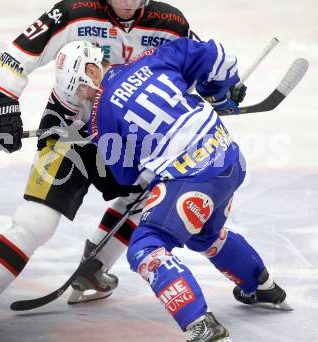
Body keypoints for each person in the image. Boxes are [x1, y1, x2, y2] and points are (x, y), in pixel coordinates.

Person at [0, 0, 210, 338]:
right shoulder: (74, 12)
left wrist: (219, 89)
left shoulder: (170, 22)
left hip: (126, 137)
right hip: (68, 129)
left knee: (144, 198)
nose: (127, 2)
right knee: (35, 222)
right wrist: (4, 101)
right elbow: (19, 53)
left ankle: (92, 269)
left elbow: (197, 62)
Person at [48, 39, 291, 341]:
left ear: (91, 71)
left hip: (197, 178)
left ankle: (201, 325)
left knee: (145, 247)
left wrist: (99, 136)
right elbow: (217, 57)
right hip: (229, 158)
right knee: (205, 234)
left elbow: (125, 177)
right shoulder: (154, 57)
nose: (82, 98)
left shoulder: (101, 117)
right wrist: (219, 92)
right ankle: (262, 286)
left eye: (79, 89)